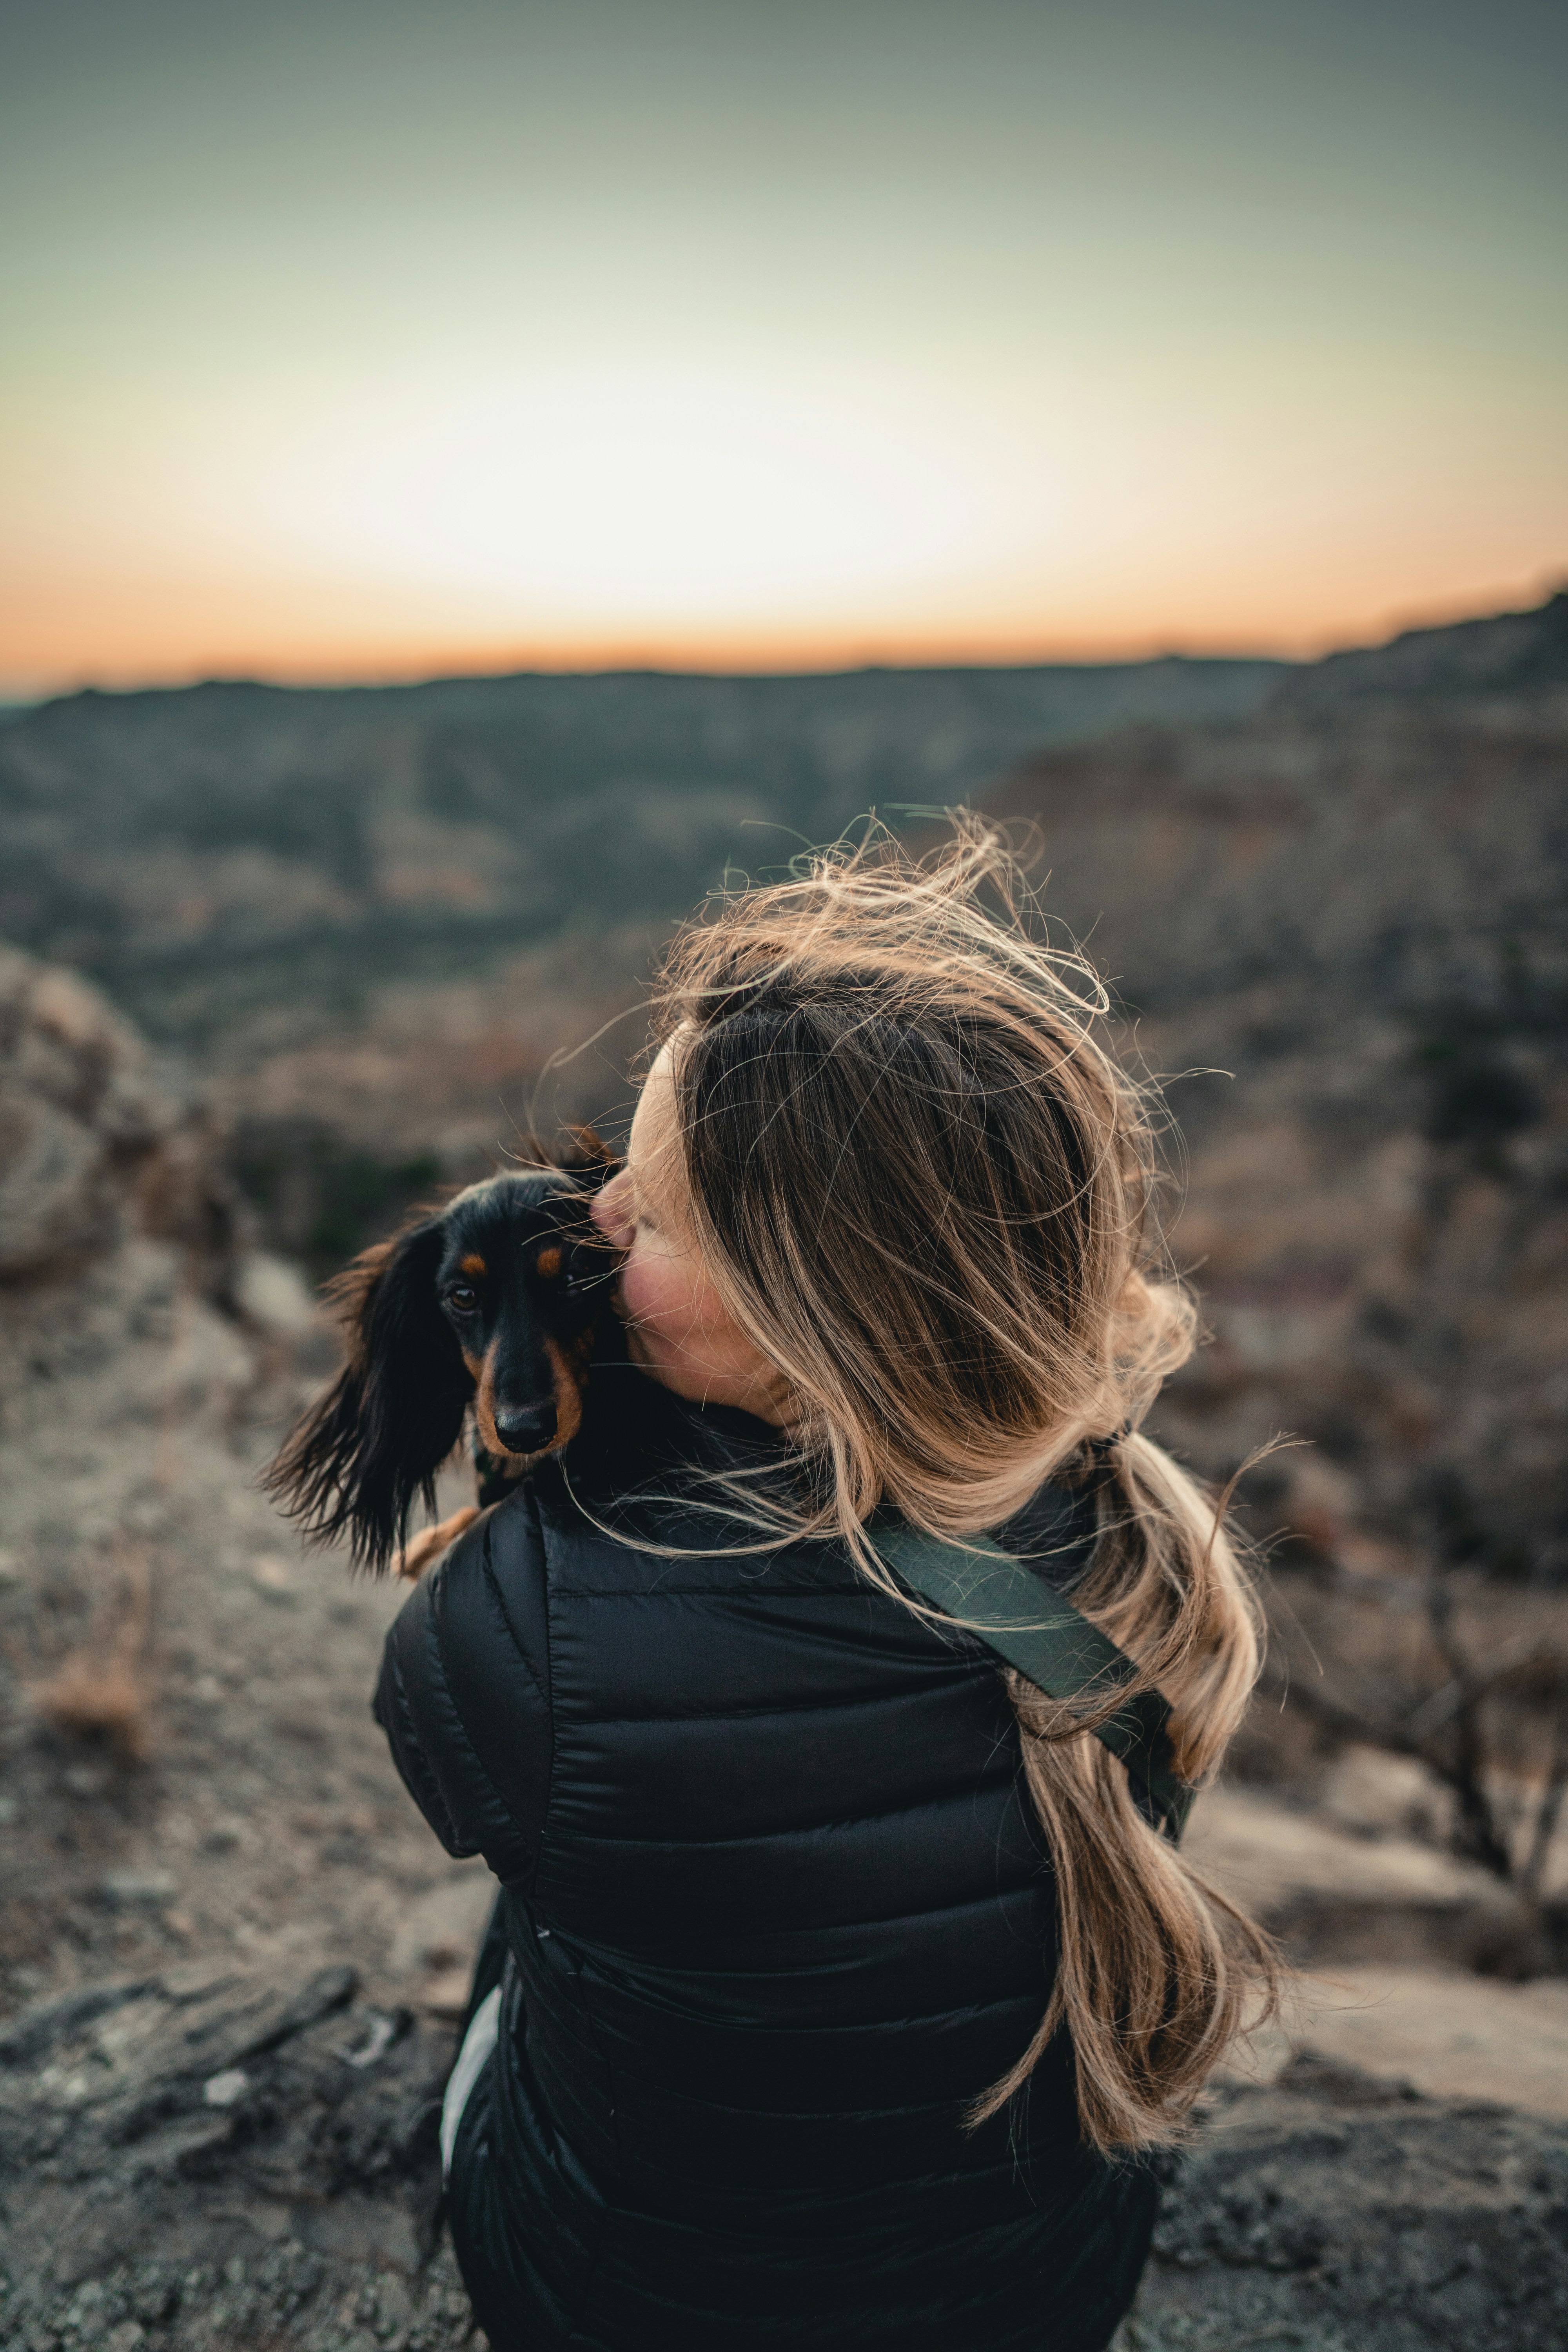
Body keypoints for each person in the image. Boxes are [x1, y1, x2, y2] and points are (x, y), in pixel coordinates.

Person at [371, 826, 1278, 2352]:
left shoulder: (519, 1625)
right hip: (1041, 2294)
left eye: (651, 1218)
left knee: (529, 1934)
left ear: (806, 1313)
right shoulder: (1142, 1535)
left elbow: (502, 1804)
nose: (592, 1221)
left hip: (629, 2308)